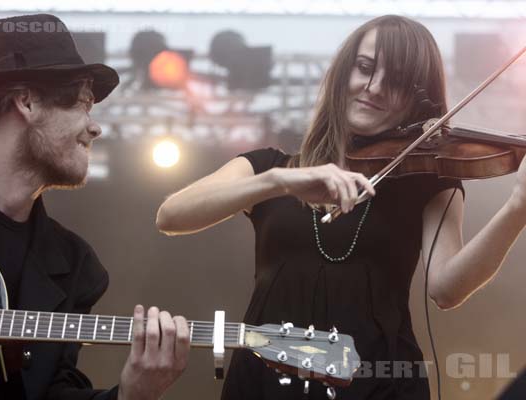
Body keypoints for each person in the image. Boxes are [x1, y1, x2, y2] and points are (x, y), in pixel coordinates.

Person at [156, 15, 526, 399]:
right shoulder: (270, 168)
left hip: (381, 382)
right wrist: (277, 181)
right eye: (365, 68)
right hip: (266, 380)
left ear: (418, 101)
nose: (374, 88)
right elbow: (171, 215)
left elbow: (447, 289)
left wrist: (518, 208)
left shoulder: (429, 181)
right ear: (343, 70)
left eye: (396, 81)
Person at [0, 14, 189, 400]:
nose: (95, 127)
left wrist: (132, 395)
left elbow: (48, 390)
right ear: (27, 101)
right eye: (84, 103)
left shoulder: (75, 266)